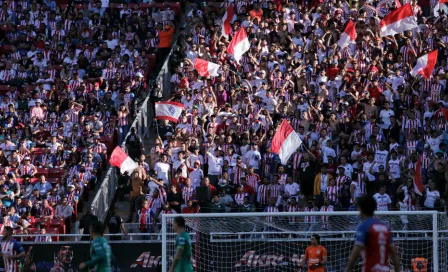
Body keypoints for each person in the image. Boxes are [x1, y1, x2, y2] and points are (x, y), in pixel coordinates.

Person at [345, 195, 400, 272]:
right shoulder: (385, 227)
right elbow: (394, 254)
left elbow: (356, 251)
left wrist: (347, 269)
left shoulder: (364, 226)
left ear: (361, 209)